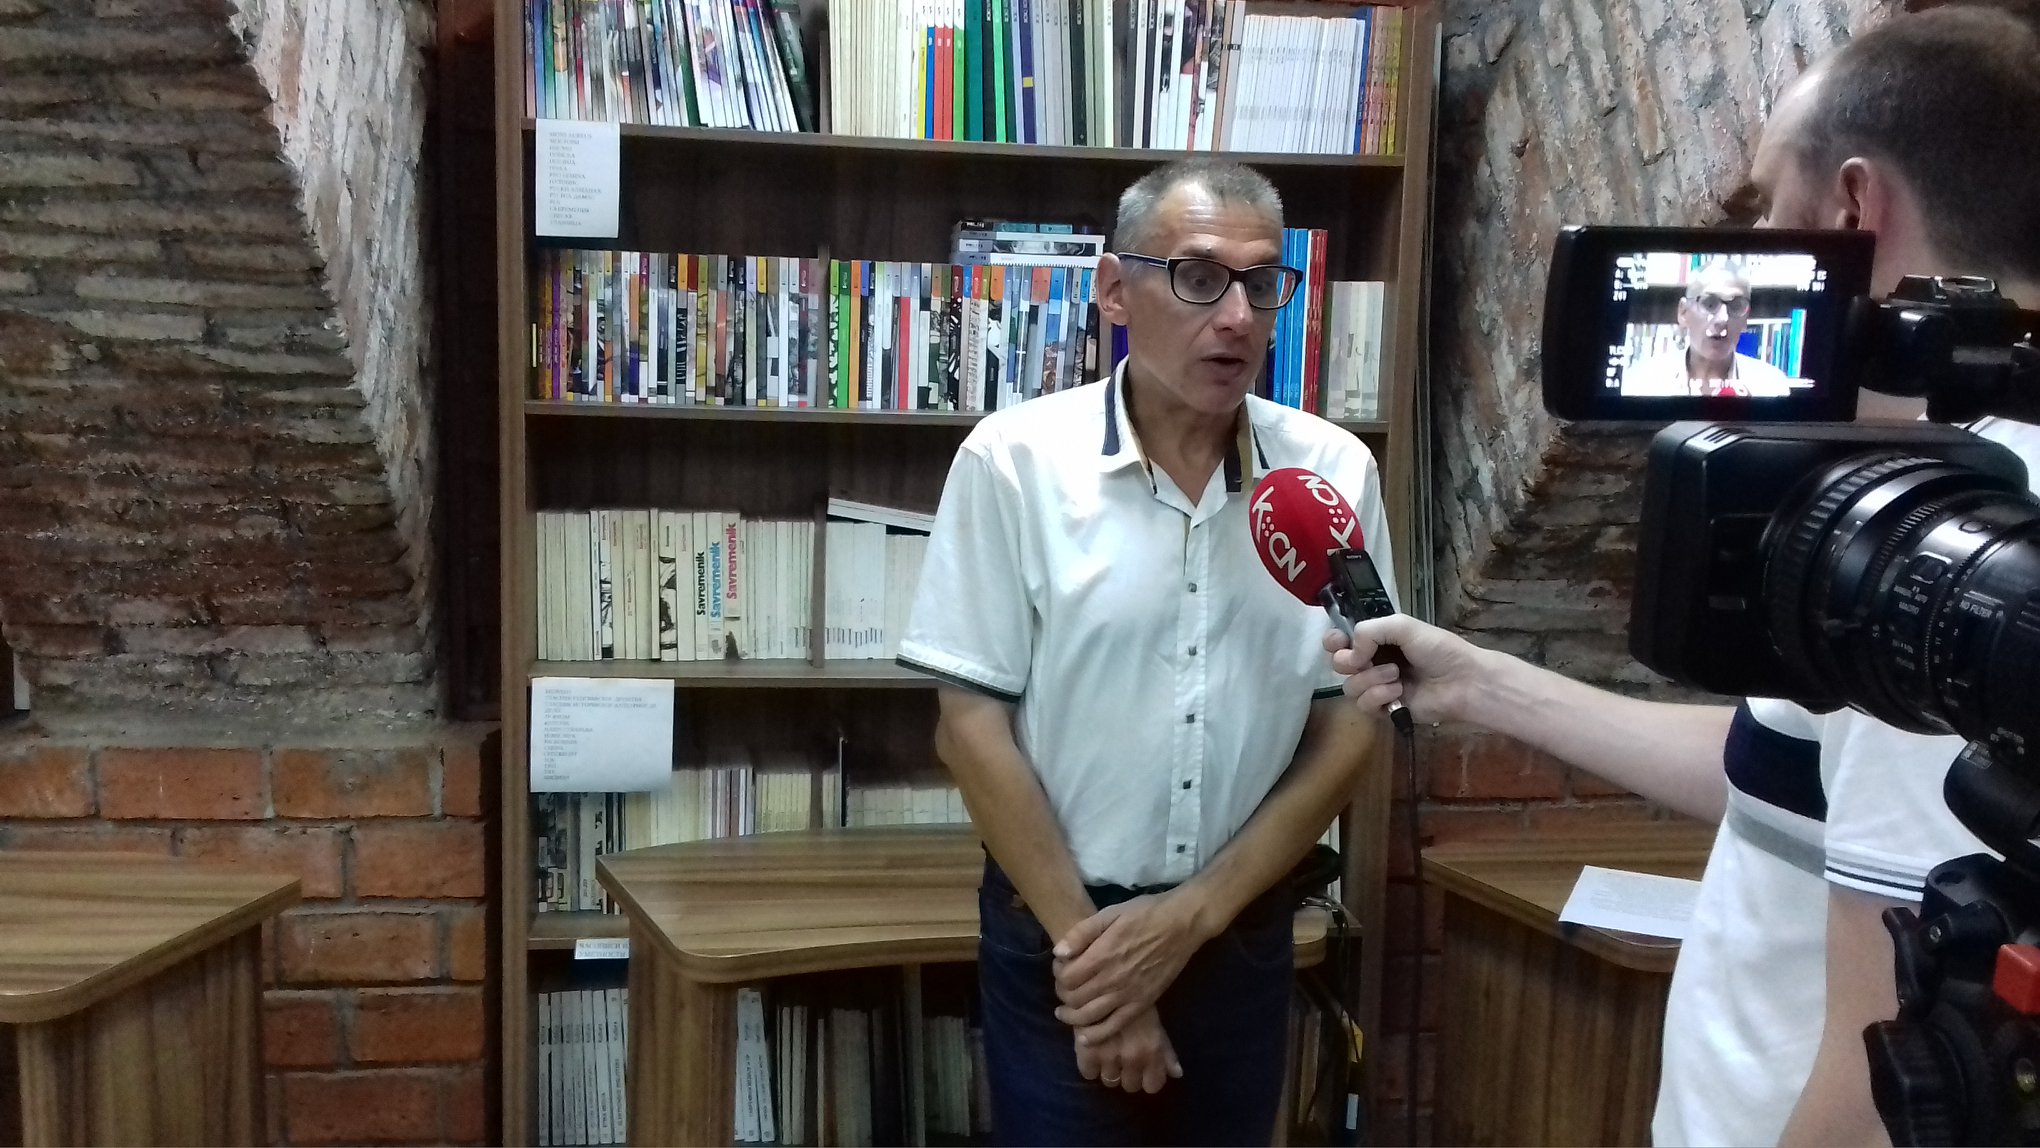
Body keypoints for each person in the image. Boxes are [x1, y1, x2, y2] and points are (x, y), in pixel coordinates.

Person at [1329, 6, 2040, 1145]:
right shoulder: (1928, 503)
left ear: (1852, 210)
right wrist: (1480, 682)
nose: (1746, 244)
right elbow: (1777, 775)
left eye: (1765, 207)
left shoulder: (1959, 562)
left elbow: (1878, 1083)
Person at [897, 159, 1390, 1145]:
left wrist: (1190, 919)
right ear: (1116, 291)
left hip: (1238, 929)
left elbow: (1348, 724)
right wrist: (1104, 969)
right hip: (1060, 931)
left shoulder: (1331, 471)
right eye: (1200, 278)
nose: (1238, 316)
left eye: (1262, 283)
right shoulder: (1014, 462)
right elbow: (970, 728)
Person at [1621, 263, 1798, 397]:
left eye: (1736, 306)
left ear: (1746, 318)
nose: (1723, 319)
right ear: (1683, 312)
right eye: (1710, 304)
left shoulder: (1772, 386)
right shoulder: (1642, 382)